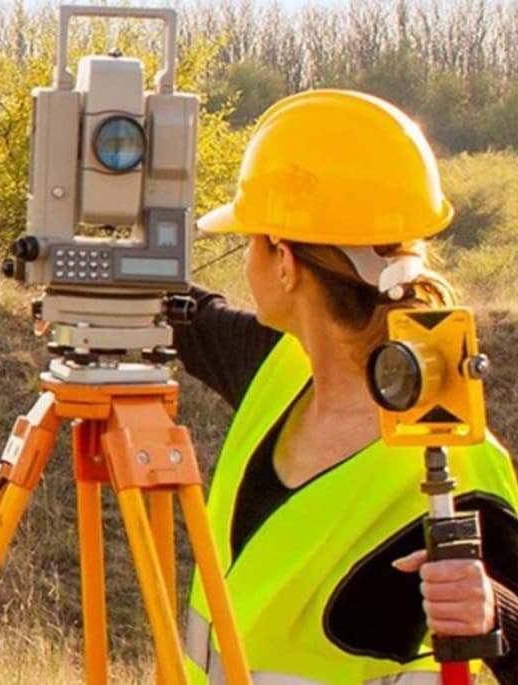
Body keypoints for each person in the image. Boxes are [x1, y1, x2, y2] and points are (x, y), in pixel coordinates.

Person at [178, 90, 518, 683]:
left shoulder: (460, 462)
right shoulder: (278, 367)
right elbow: (189, 317)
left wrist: (495, 611)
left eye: (249, 241)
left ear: (283, 262)